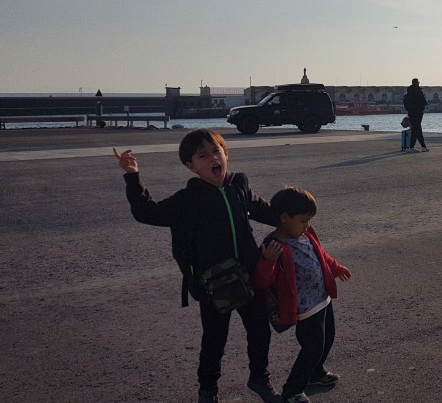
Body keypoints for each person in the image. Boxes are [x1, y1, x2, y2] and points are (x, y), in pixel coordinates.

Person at [113, 129, 280, 403]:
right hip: (215, 283)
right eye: (203, 155)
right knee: (214, 341)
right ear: (192, 167)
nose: (213, 158)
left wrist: (292, 219)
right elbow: (147, 212)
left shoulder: (239, 184)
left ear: (226, 154)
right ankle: (208, 391)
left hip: (250, 275)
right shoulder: (189, 199)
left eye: (216, 151)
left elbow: (263, 209)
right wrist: (133, 176)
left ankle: (259, 379)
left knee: (260, 332)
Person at [253, 187, 353, 403]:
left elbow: (321, 255)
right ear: (284, 218)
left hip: (321, 298)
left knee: (327, 339)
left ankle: (316, 373)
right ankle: (292, 390)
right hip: (304, 309)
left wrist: (336, 268)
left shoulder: (306, 234)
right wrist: (268, 261)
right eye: (303, 220)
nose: (307, 225)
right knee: (313, 346)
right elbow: (262, 281)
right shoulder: (273, 246)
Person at [402, 78, 429, 152]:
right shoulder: (418, 91)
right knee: (416, 129)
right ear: (417, 83)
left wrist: (409, 111)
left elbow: (405, 103)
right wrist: (421, 111)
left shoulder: (408, 94)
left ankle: (423, 146)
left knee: (417, 129)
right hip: (418, 113)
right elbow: (423, 102)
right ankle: (411, 147)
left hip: (411, 113)